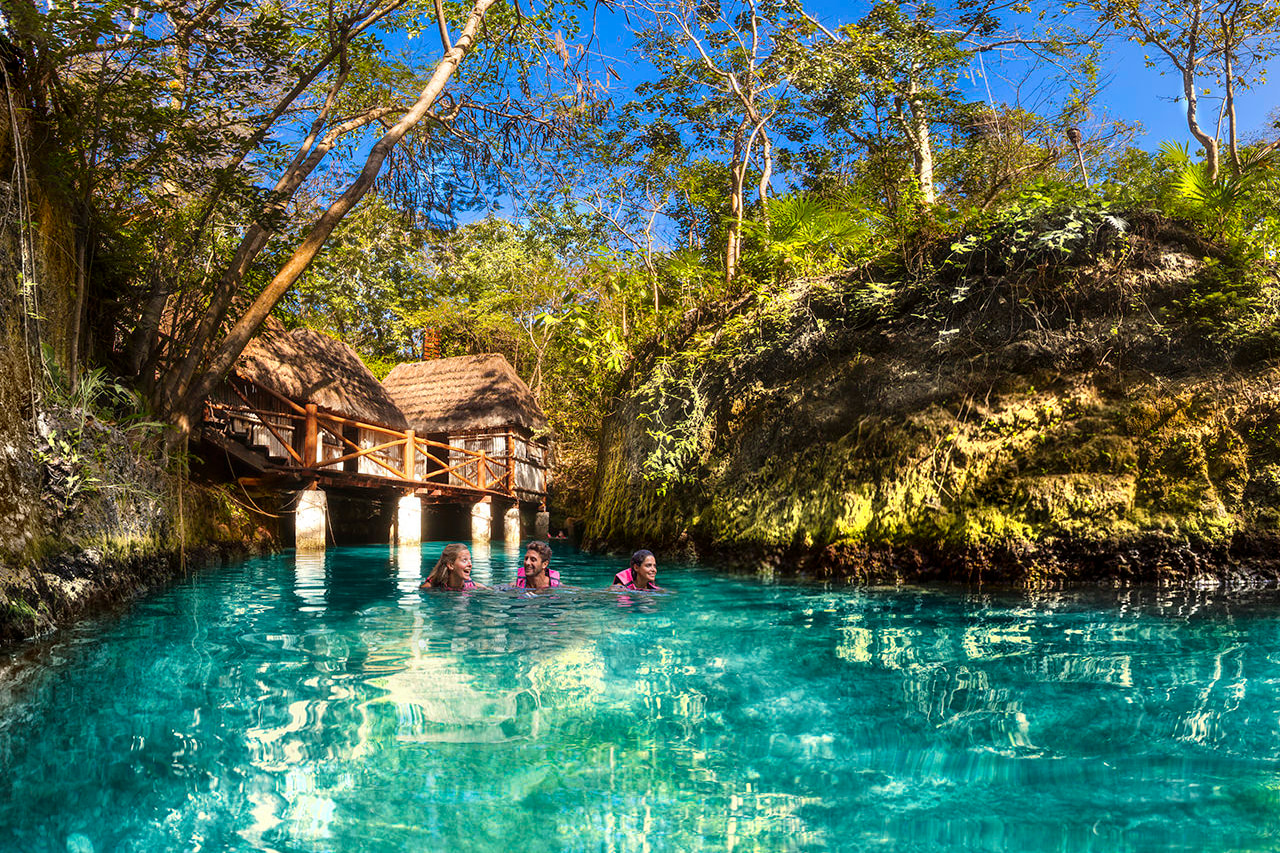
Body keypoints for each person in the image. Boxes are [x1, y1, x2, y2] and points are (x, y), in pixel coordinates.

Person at [420, 543, 485, 590]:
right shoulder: (430, 587)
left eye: (470, 560)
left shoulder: (471, 586)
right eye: (464, 560)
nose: (470, 564)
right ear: (451, 565)